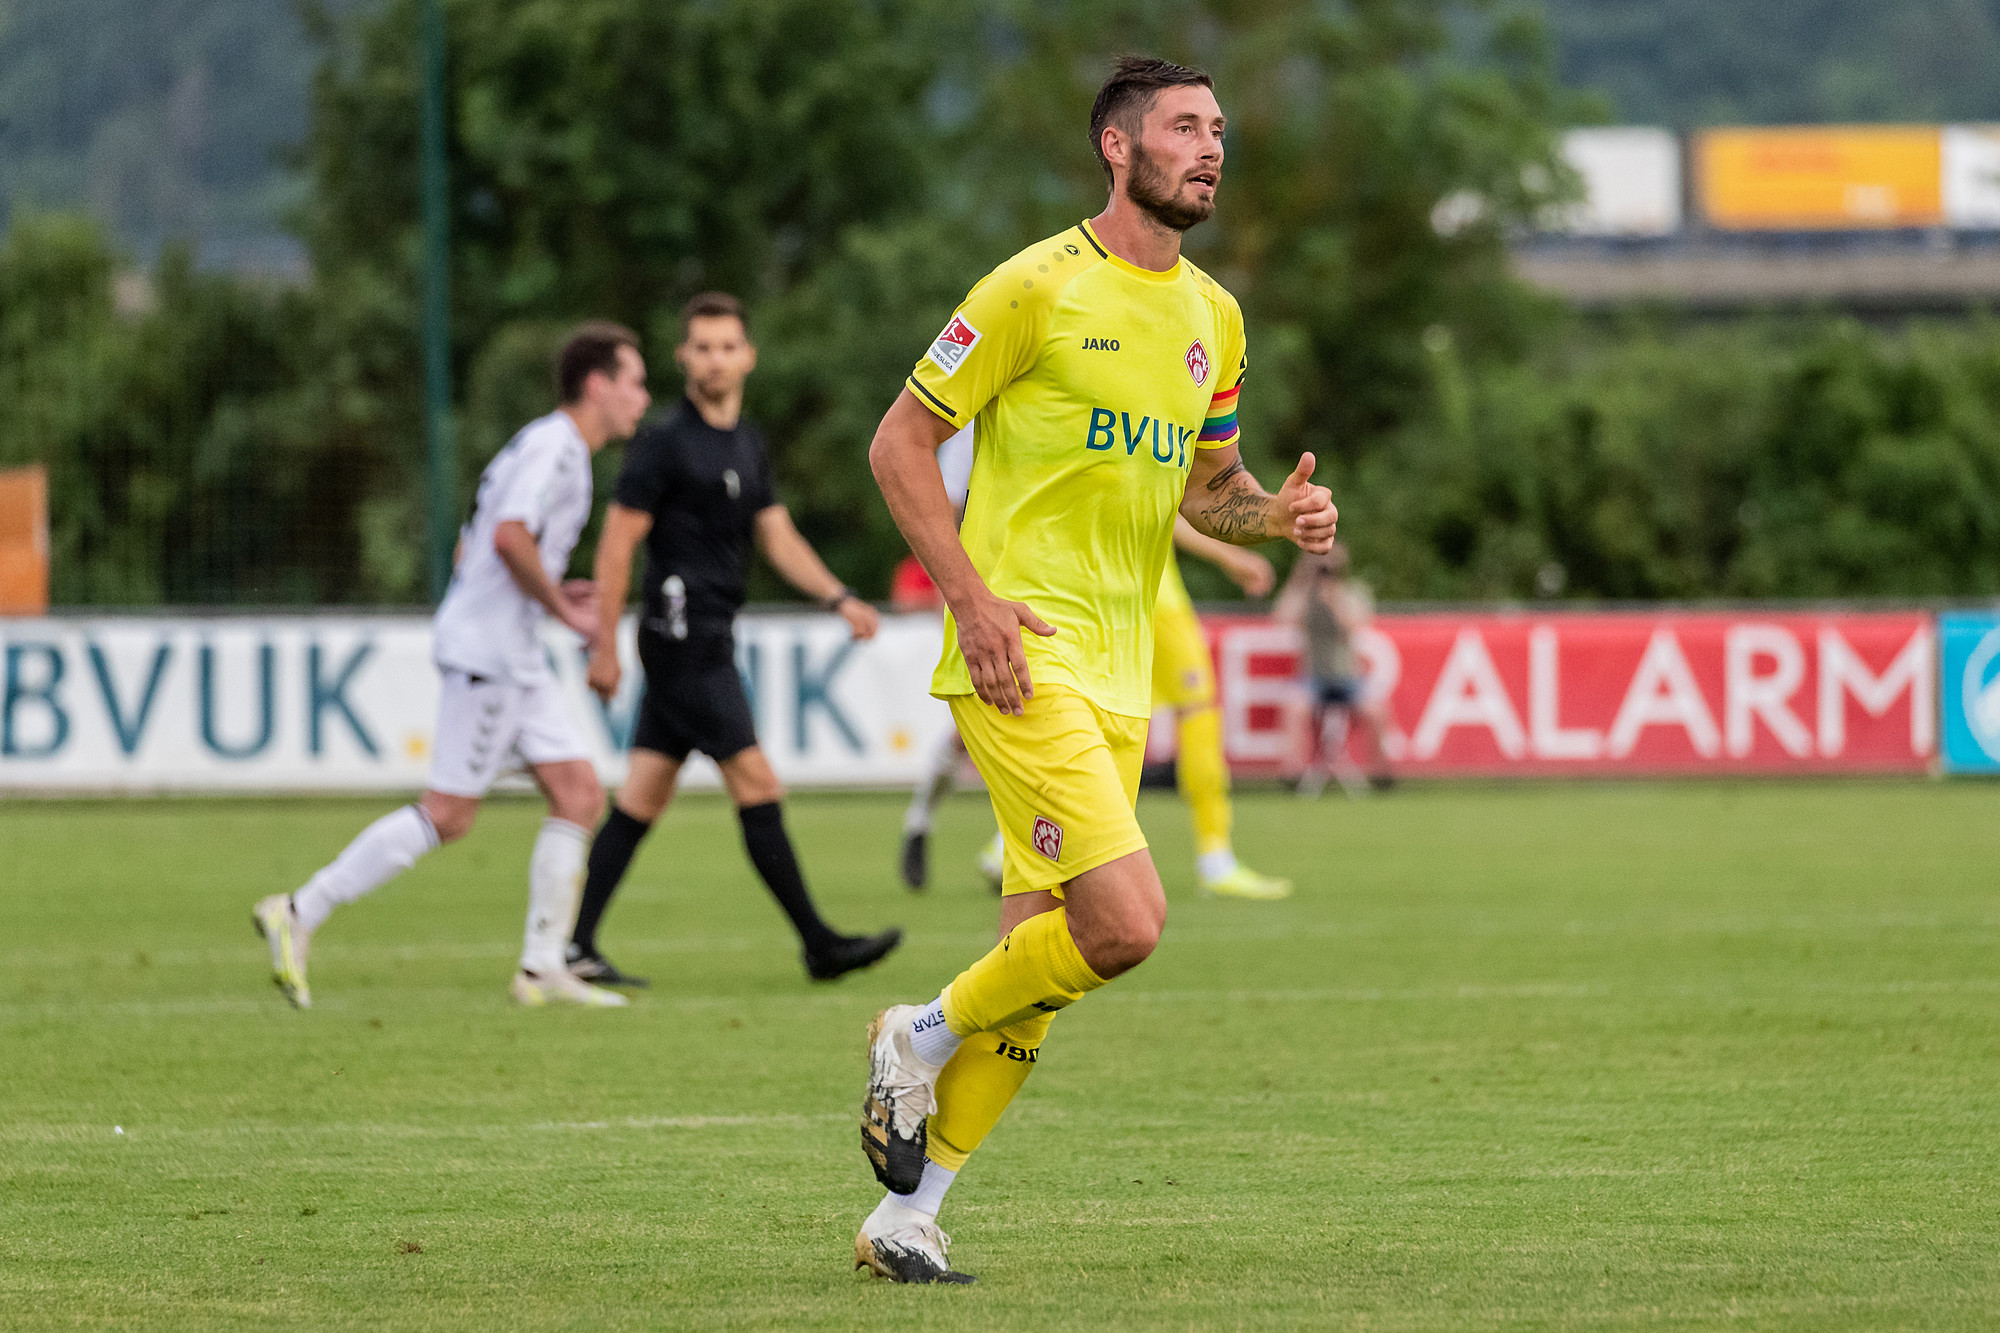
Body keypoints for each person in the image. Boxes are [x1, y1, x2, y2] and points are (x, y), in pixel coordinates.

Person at [853, 57, 1339, 1284]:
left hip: (1121, 672)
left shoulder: (1213, 317)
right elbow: (899, 442)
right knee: (1124, 926)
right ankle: (910, 1037)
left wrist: (1273, 519)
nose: (1210, 148)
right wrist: (972, 603)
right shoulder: (1032, 285)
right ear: (1116, 147)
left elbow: (1208, 491)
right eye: (1183, 127)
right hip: (1027, 657)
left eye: (1218, 129)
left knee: (1039, 971)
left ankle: (907, 1219)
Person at [253, 322, 650, 1009]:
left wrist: (552, 592)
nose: (642, 398)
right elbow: (506, 538)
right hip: (491, 656)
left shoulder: (547, 447)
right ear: (597, 384)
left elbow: (479, 549)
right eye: (634, 382)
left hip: (510, 652)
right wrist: (563, 607)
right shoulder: (556, 449)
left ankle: (541, 966)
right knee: (450, 812)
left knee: (580, 792)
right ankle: (299, 909)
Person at [568, 292, 902, 988]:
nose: (715, 360)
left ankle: (574, 943)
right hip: (679, 635)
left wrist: (837, 594)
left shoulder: (746, 441)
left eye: (727, 347)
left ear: (747, 356)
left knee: (642, 795)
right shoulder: (663, 443)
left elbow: (775, 534)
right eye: (702, 347)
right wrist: (603, 642)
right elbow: (617, 544)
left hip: (712, 633)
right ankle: (819, 942)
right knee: (757, 781)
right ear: (683, 356)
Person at [900, 507, 1294, 901]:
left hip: (1148, 594)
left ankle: (1215, 858)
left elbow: (1164, 498)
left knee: (1182, 711)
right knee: (1068, 718)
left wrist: (1234, 547)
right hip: (1081, 593)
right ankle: (998, 839)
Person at [1275, 543, 1395, 796]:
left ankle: (1382, 774)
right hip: (1314, 677)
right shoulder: (1304, 595)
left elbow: (1350, 627)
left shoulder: (1352, 594)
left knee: (1376, 709)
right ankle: (1292, 775)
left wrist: (1332, 600)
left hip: (1348, 678)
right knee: (1294, 707)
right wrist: (1301, 574)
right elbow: (1281, 617)